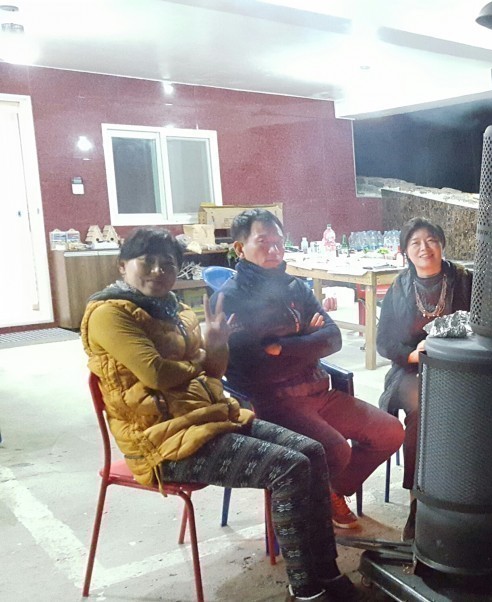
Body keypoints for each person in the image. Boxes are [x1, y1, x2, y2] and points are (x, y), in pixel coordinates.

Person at [81, 229, 360, 601]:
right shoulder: (108, 313)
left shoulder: (176, 311)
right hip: (162, 443)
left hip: (209, 420)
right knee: (289, 468)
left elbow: (213, 371)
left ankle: (326, 570)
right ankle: (306, 590)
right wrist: (199, 360)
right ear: (122, 266)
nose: (158, 271)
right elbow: (157, 374)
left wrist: (216, 345)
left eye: (168, 263)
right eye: (147, 262)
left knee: (313, 451)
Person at [215, 209, 404, 531]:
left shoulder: (294, 288)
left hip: (319, 391)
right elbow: (255, 366)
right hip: (274, 403)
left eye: (279, 242)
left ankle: (328, 492)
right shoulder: (230, 299)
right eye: (263, 242)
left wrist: (285, 344)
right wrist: (306, 337)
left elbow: (333, 338)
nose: (274, 250)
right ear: (240, 248)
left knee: (390, 432)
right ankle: (314, 503)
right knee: (336, 450)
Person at [376, 217, 472, 541]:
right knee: (422, 410)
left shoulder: (464, 280)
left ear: (442, 244)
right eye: (415, 242)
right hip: (412, 370)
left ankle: (461, 492)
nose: (424, 248)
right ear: (406, 251)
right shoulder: (399, 287)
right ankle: (418, 500)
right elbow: (384, 342)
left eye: (431, 240)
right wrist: (412, 355)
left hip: (461, 369)